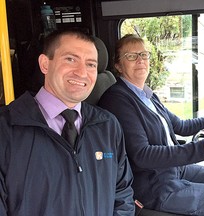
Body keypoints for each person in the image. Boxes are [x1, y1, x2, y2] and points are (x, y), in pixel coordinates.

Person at [98, 34, 204, 215]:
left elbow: (182, 126)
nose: (140, 60)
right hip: (154, 185)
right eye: (131, 56)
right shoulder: (118, 99)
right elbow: (142, 155)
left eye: (144, 54)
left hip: (173, 170)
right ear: (118, 65)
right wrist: (201, 149)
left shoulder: (147, 96)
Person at [0, 29, 135, 216]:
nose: (82, 72)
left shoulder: (107, 126)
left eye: (90, 64)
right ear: (45, 64)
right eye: (70, 59)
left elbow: (122, 193)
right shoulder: (6, 129)